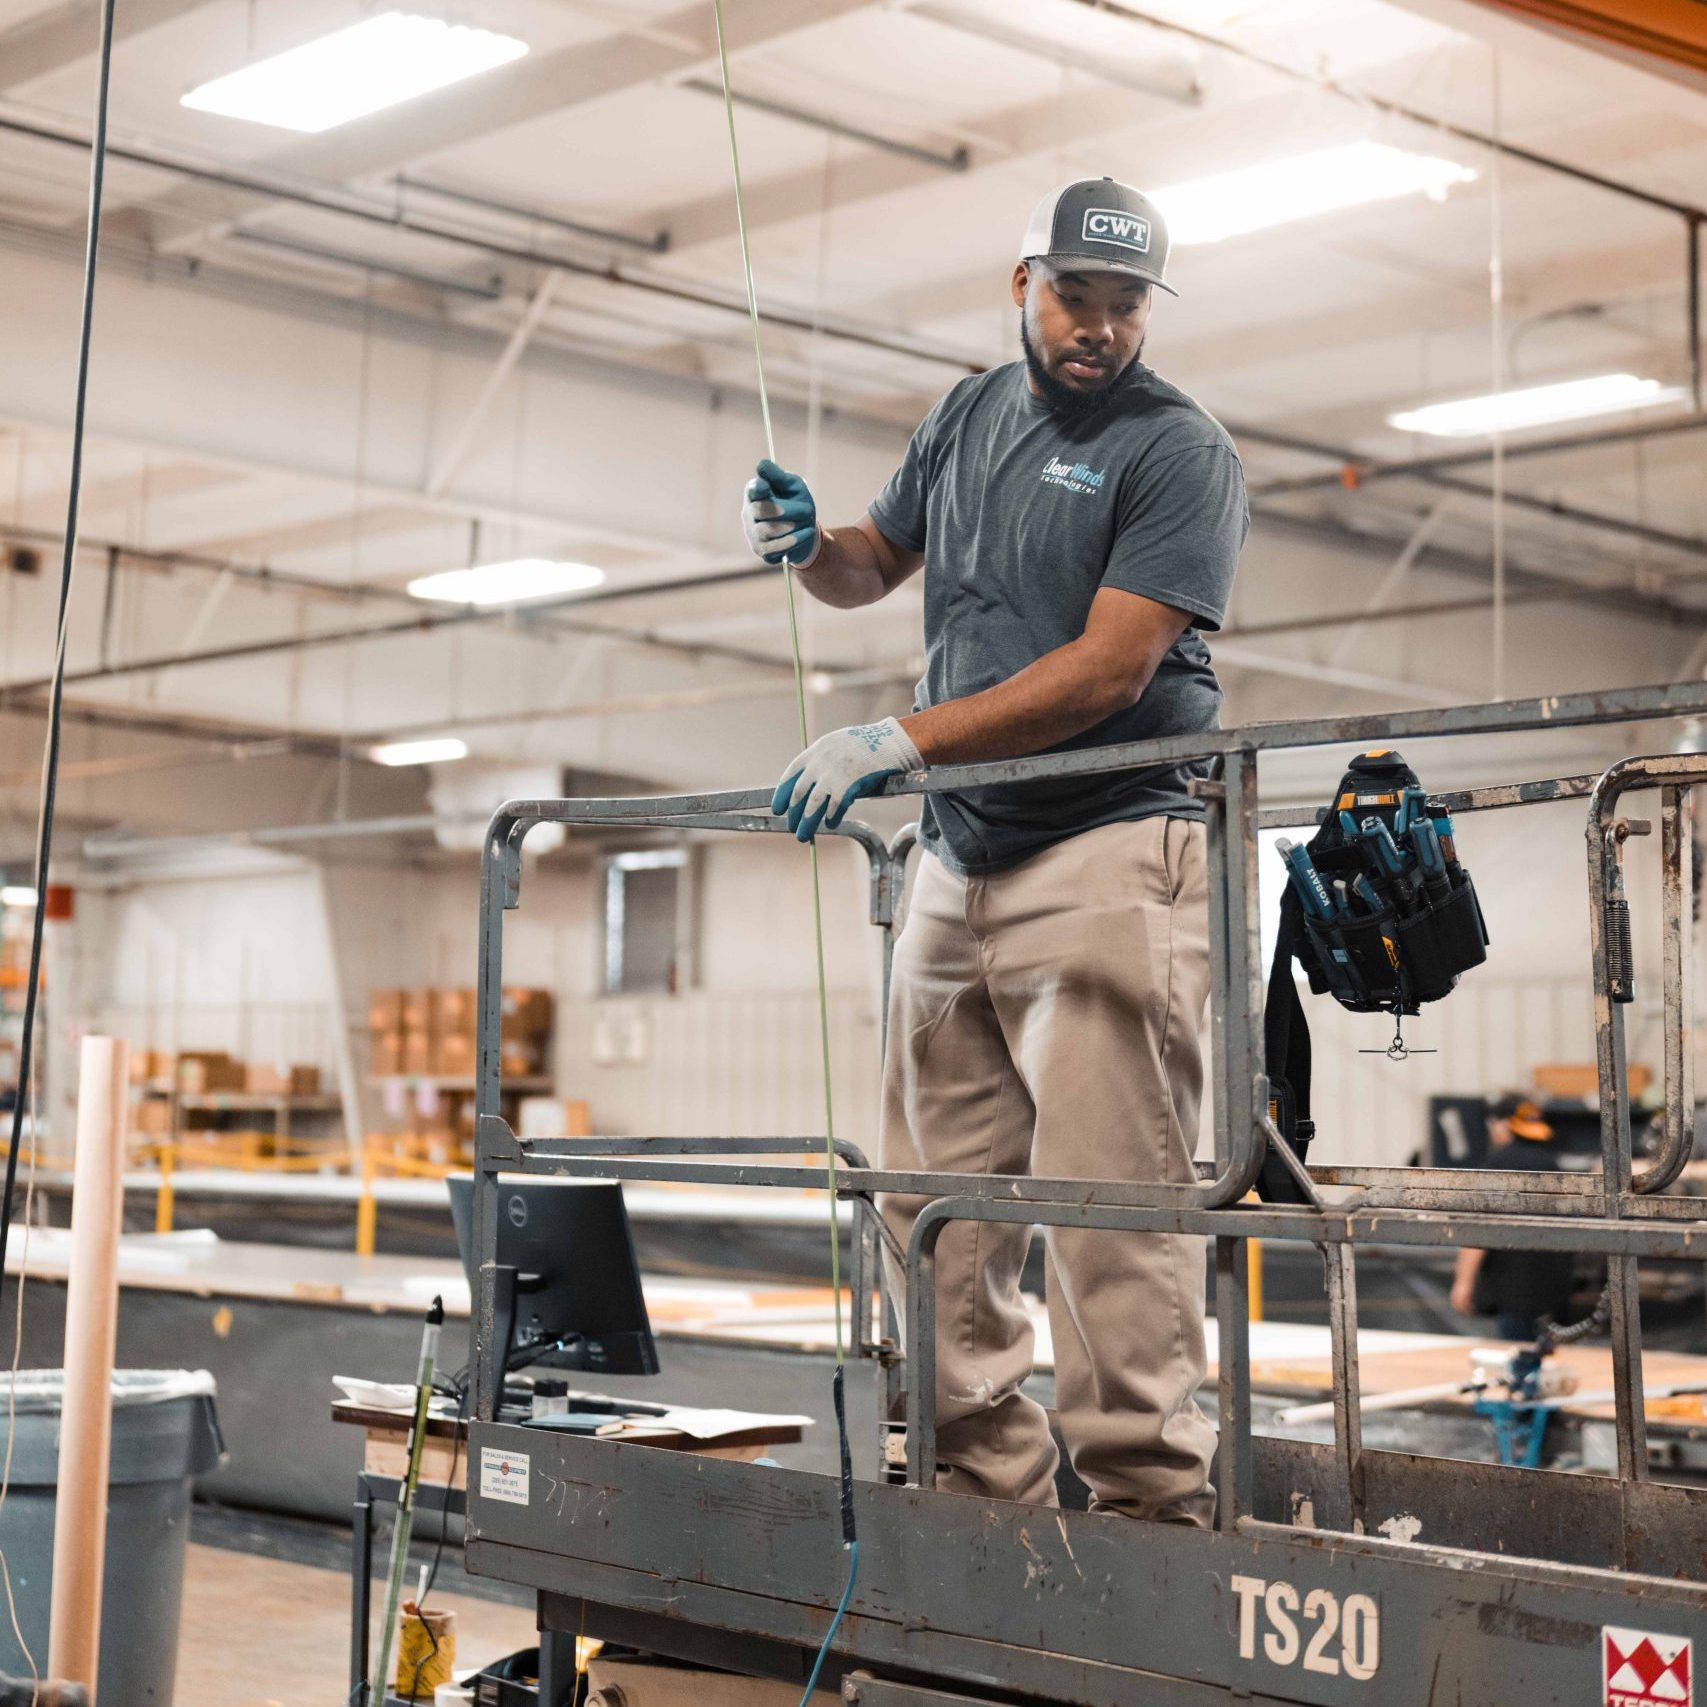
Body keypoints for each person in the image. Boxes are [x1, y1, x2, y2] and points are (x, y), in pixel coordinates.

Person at [741, 178, 1248, 1525]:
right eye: (1073, 294)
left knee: (1106, 1211)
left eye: (1123, 303)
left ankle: (1146, 1523)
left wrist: (899, 737)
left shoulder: (1175, 450)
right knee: (936, 1215)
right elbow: (872, 562)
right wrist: (809, 548)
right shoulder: (964, 412)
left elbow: (1105, 669)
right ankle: (981, 1511)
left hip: (1105, 843)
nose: (1097, 327)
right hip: (956, 861)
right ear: (1017, 282)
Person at [1450, 1095, 1579, 1340]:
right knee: (1543, 1359)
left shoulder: (1499, 1163)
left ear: (1502, 1124)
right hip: (1554, 1289)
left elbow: (1479, 1228)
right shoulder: (1551, 1162)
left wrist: (1463, 1282)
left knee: (1517, 1360)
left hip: (1512, 1292)